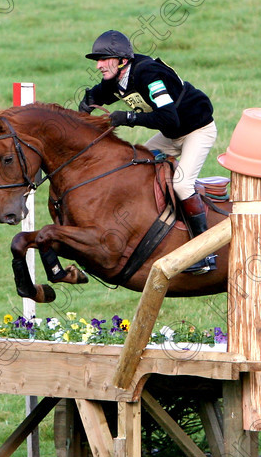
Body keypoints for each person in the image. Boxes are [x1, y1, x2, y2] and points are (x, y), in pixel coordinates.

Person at [79, 30, 217, 274]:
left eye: (103, 59)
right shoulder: (117, 76)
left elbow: (169, 119)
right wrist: (86, 102)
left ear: (122, 60)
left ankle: (205, 254)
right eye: (97, 60)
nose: (99, 65)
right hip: (172, 133)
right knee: (132, 164)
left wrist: (129, 118)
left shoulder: (148, 75)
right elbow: (100, 93)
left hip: (197, 130)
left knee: (183, 185)